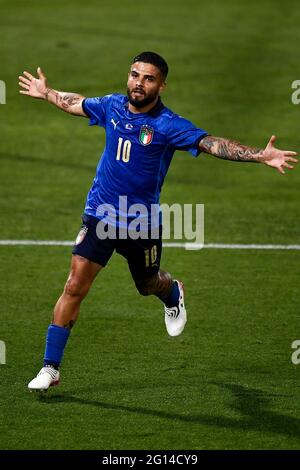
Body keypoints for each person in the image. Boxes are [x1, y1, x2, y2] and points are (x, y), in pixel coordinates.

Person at [19, 52, 297, 391]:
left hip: (141, 223)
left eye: (148, 78)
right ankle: (50, 367)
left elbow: (210, 144)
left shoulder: (168, 125)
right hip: (100, 214)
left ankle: (172, 292)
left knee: (148, 285)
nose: (139, 82)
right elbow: (76, 102)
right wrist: (47, 93)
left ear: (161, 84)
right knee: (75, 284)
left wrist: (258, 155)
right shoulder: (112, 106)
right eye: (135, 74)